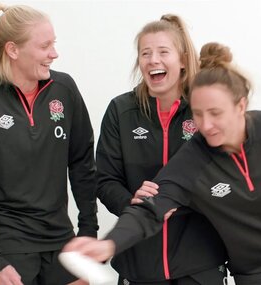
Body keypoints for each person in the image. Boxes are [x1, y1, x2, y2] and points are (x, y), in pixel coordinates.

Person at [65, 42, 261, 285]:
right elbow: (151, 208)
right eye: (197, 114)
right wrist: (109, 245)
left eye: (215, 113)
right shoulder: (194, 159)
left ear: (240, 106)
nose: (206, 125)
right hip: (256, 267)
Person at [0, 4, 97, 285]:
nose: (54, 53)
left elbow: (82, 164)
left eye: (54, 43)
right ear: (13, 50)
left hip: (60, 242)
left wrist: (88, 232)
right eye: (45, 46)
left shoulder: (65, 90)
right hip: (5, 246)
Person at [95, 14, 227, 285]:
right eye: (145, 53)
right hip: (139, 262)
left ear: (182, 60)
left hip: (199, 263)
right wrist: (130, 201)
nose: (153, 59)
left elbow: (226, 177)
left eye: (162, 52)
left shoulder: (204, 108)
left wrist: (176, 200)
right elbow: (105, 180)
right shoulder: (121, 111)